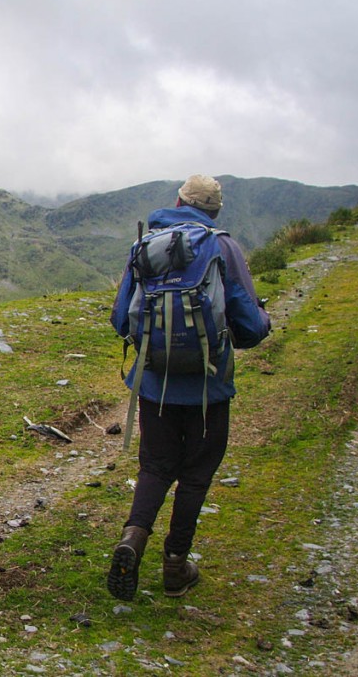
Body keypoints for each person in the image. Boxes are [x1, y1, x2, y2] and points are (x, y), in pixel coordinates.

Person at [107, 174, 271, 600]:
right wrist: (259, 321)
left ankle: (132, 539)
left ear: (177, 200)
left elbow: (122, 319)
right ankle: (175, 565)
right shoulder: (223, 247)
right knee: (195, 474)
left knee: (155, 466)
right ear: (214, 210)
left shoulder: (147, 246)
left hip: (154, 383)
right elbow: (250, 327)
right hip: (208, 387)